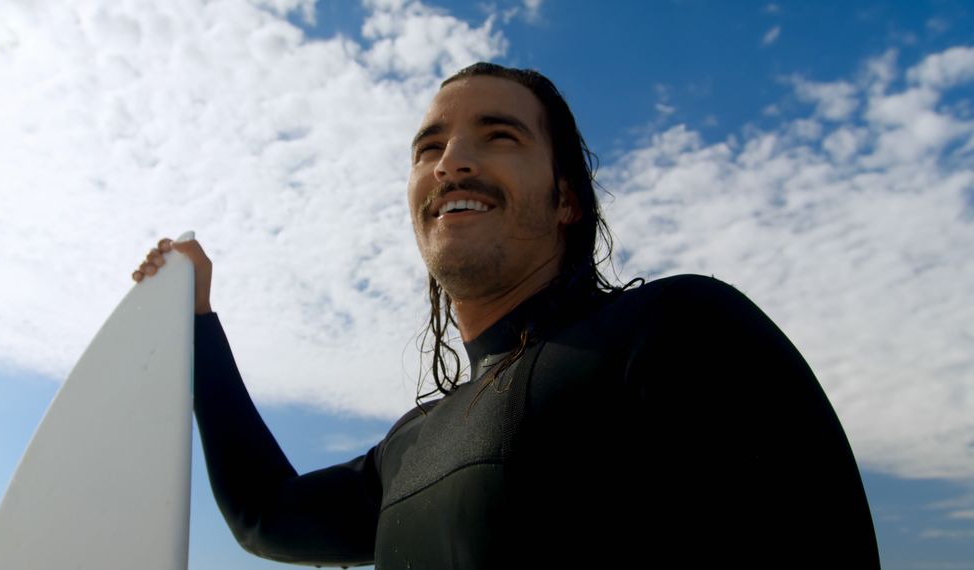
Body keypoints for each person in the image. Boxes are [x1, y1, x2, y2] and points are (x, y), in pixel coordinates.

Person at [132, 62, 881, 568]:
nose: (452, 160)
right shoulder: (411, 449)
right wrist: (196, 321)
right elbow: (266, 515)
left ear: (566, 199)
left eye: (499, 136)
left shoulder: (679, 331)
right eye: (430, 147)